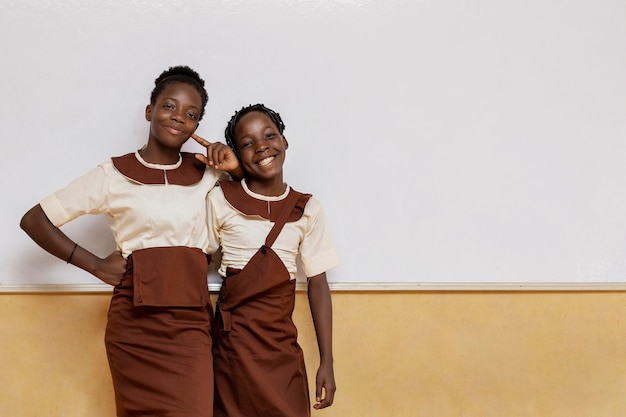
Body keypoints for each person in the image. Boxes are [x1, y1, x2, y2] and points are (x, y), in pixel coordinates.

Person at [20, 65, 242, 417]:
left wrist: (237, 169)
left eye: (191, 114)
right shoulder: (113, 174)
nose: (178, 117)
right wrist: (93, 264)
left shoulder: (208, 173)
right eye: (169, 106)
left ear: (197, 126)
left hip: (191, 324)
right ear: (149, 110)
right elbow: (35, 220)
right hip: (133, 327)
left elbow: (256, 207)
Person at [206, 104, 339, 416]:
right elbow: (198, 263)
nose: (262, 145)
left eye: (269, 135)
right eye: (247, 143)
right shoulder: (219, 199)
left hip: (281, 352)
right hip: (231, 353)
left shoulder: (308, 209)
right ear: (236, 154)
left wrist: (327, 363)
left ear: (284, 142)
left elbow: (318, 285)